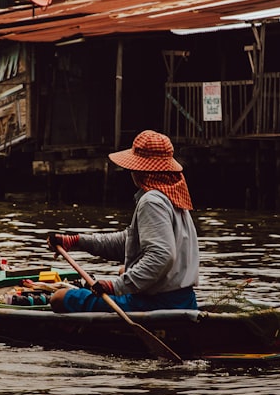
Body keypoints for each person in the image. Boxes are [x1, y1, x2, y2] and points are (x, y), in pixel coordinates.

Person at [47, 129, 199, 313]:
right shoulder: (173, 197)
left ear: (139, 170)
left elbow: (161, 256)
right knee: (122, 270)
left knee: (59, 298)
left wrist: (116, 286)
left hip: (156, 303)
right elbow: (129, 242)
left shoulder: (152, 201)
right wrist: (76, 241)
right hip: (185, 300)